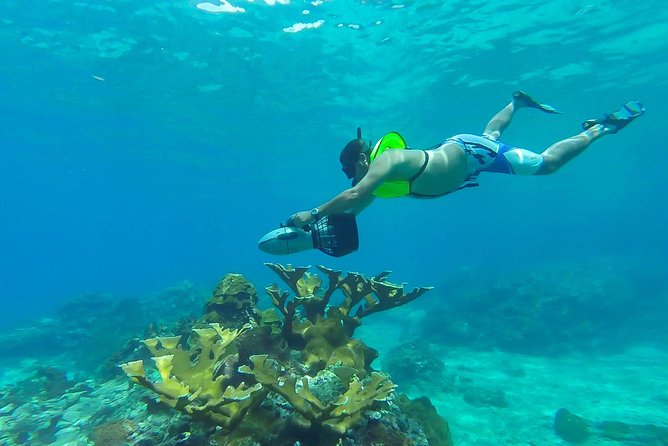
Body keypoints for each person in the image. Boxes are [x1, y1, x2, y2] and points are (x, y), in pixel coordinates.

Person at [286, 92, 644, 228]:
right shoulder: (376, 182)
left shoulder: (388, 160)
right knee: (493, 135)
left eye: (353, 170)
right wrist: (310, 236)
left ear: (364, 158)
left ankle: (600, 128)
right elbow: (352, 210)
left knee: (546, 165)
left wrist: (312, 213)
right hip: (469, 154)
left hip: (471, 154)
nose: (354, 178)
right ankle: (516, 102)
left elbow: (350, 197)